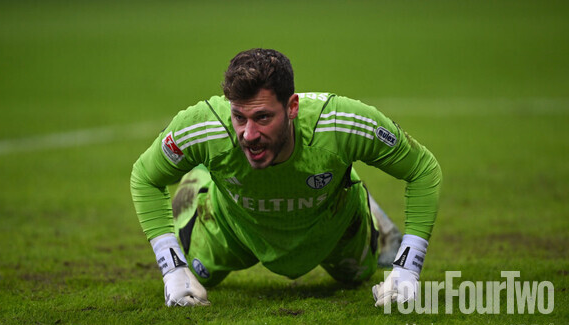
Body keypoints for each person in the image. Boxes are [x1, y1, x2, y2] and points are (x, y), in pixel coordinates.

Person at [130, 48, 441, 307]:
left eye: (263, 117)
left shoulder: (340, 124)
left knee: (357, 276)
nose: (248, 134)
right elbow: (145, 176)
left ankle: (351, 190)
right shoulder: (204, 127)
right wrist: (172, 268)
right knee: (195, 279)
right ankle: (202, 177)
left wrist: (408, 267)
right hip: (232, 228)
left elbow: (423, 169)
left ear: (292, 107)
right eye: (239, 117)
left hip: (329, 228)